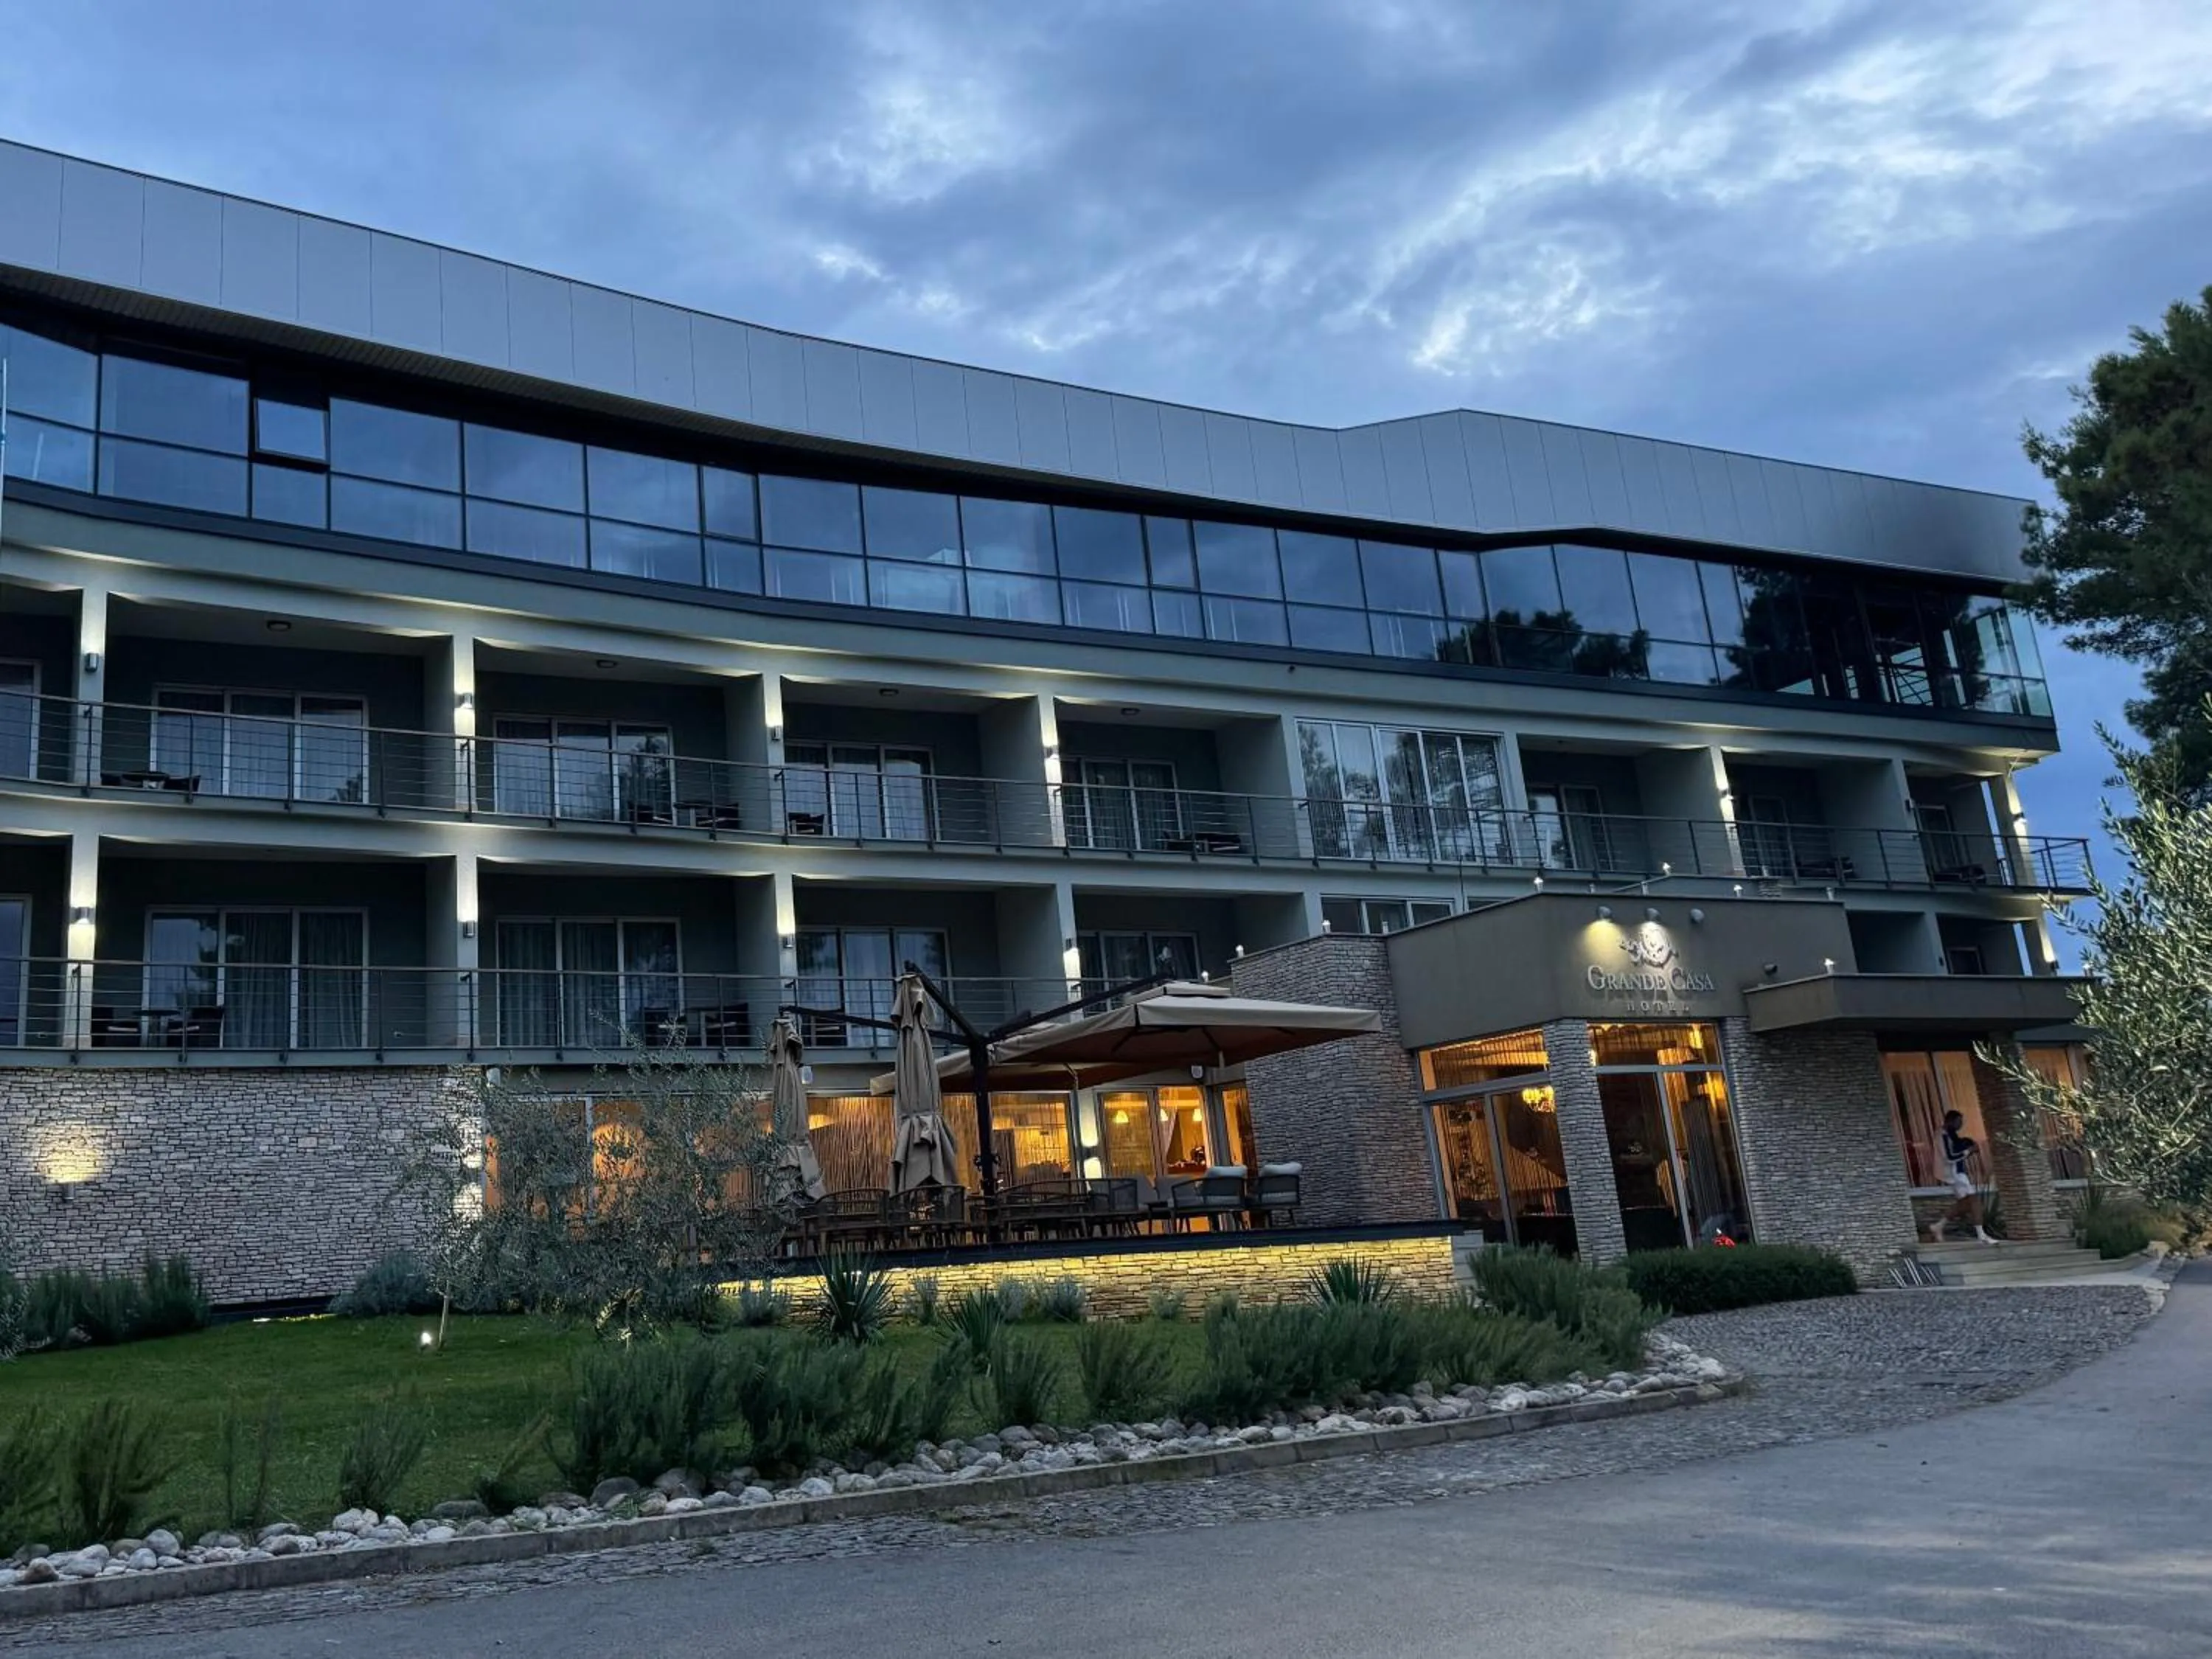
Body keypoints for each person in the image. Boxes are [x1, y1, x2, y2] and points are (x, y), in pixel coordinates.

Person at [1928, 1110, 1995, 1244]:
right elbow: (1950, 1157)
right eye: (1958, 1122)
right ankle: (1981, 1235)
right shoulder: (1943, 1135)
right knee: (1974, 1201)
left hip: (1957, 1172)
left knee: (1965, 1204)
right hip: (1954, 1174)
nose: (1961, 1125)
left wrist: (1968, 1148)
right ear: (1950, 1121)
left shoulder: (1951, 1135)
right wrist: (1969, 1151)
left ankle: (1938, 1226)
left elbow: (1957, 1151)